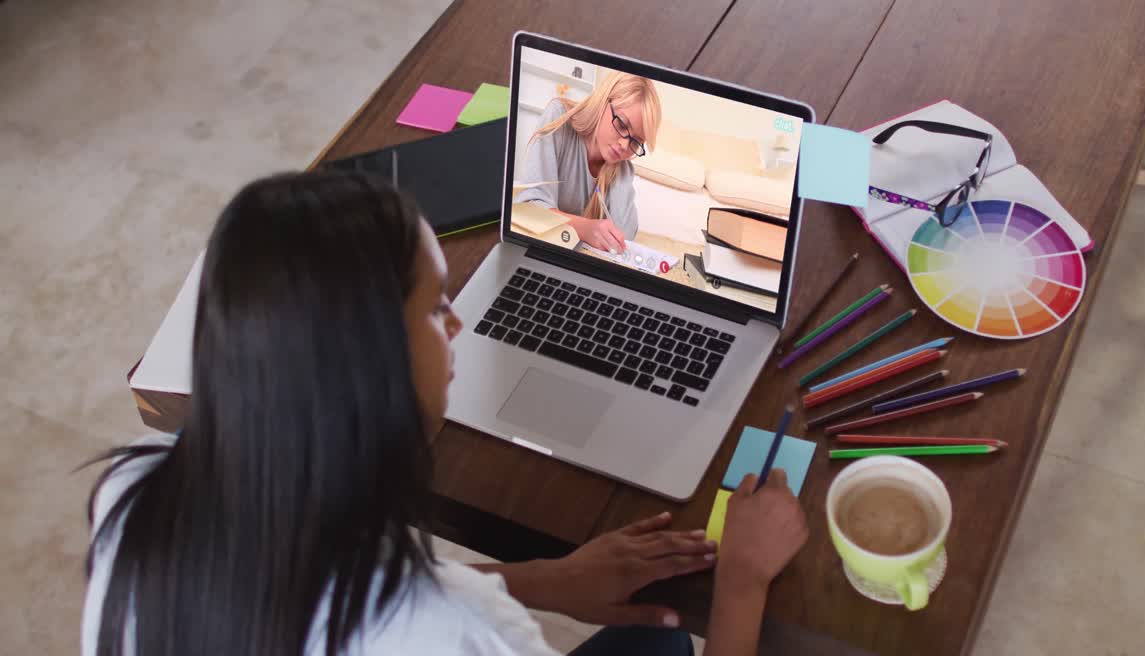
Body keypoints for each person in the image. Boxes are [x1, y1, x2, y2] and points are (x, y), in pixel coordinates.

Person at [81, 171, 808, 656]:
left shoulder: (135, 495)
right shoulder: (454, 636)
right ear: (373, 367)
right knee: (668, 635)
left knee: (649, 637)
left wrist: (544, 581)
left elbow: (328, 593)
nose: (458, 321)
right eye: (434, 306)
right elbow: (426, 617)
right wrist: (742, 582)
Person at [514, 72, 661, 255]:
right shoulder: (559, 117)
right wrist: (585, 228)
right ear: (603, 102)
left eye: (636, 142)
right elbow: (531, 208)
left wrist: (623, 171)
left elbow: (625, 237)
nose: (625, 145)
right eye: (622, 125)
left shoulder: (622, 168)